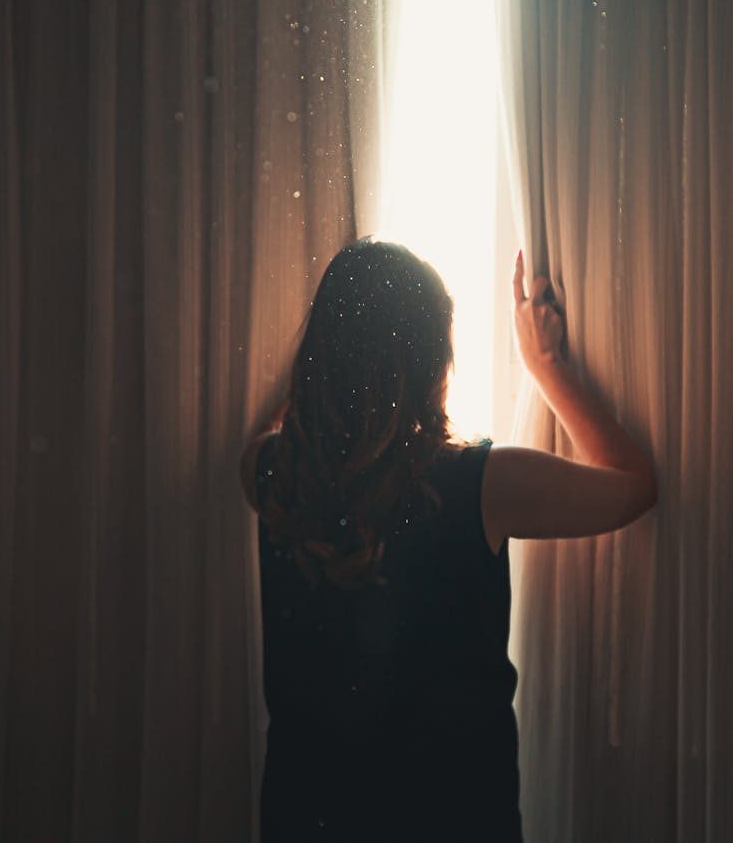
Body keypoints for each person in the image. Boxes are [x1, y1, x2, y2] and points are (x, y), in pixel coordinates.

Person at [240, 238, 657, 842]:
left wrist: (325, 368)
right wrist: (547, 367)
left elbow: (281, 430)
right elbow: (633, 486)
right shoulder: (478, 484)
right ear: (429, 360)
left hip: (308, 816)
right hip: (453, 817)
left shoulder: (274, 474)